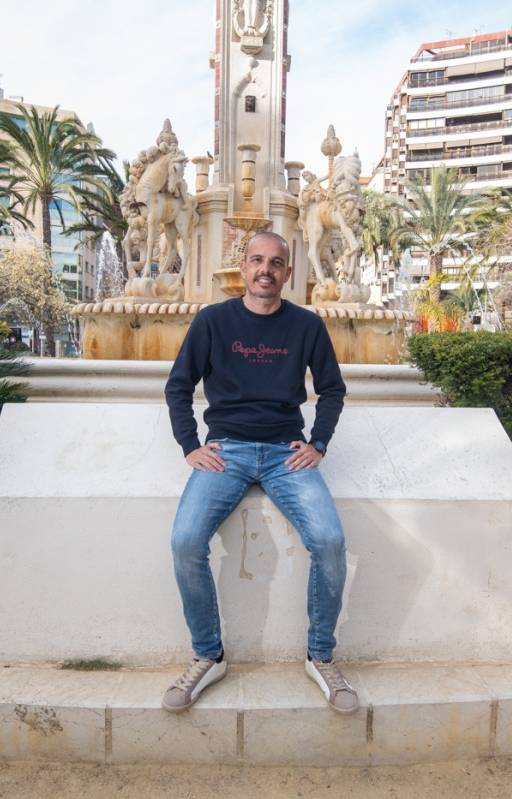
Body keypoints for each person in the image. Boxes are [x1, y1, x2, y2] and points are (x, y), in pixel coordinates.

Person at [161, 231, 357, 715]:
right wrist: (190, 446)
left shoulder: (307, 325)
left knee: (330, 542)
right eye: (256, 260)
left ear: (288, 272)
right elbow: (178, 386)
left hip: (283, 453)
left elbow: (332, 390)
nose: (265, 269)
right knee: (186, 541)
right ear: (243, 266)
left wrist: (318, 444)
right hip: (225, 450)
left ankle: (321, 656)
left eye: (275, 262)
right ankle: (208, 654)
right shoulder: (212, 321)